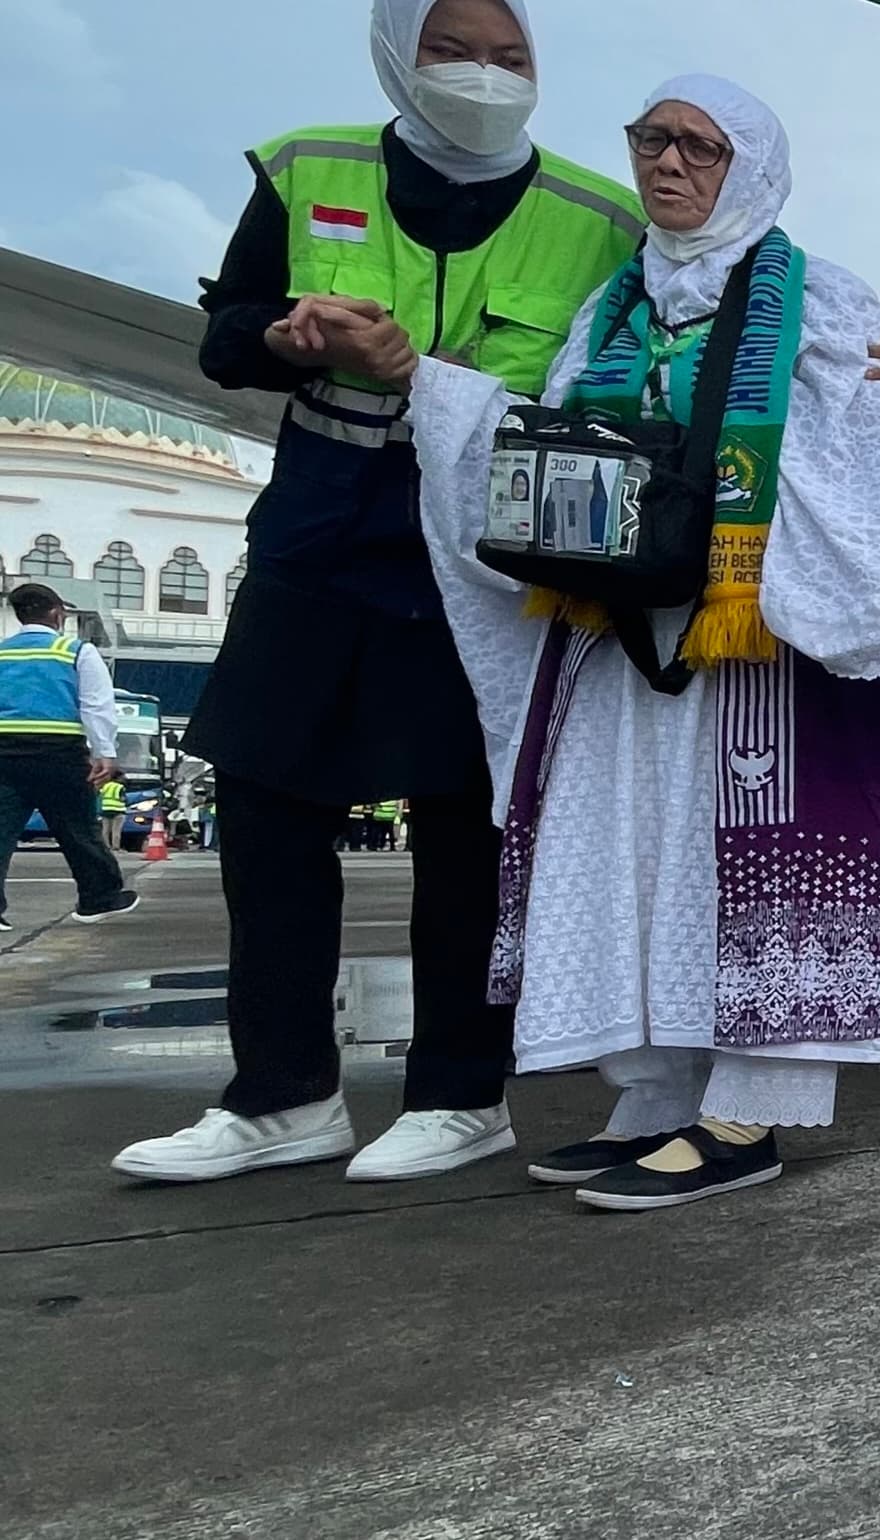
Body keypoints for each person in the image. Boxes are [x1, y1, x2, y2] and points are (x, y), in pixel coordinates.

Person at [409, 74, 880, 1211]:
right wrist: (428, 390)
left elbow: (879, 458)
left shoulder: (823, 300)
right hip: (628, 635)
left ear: (753, 170)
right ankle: (659, 1097)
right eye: (653, 140)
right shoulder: (609, 310)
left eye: (701, 149)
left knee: (746, 850)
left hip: (762, 632)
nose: (669, 164)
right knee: (641, 852)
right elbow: (555, 441)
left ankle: (750, 1108)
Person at [117, 0, 643, 1186]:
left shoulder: (596, 217)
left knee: (469, 816)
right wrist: (295, 338)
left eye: (513, 56)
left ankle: (464, 1091)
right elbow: (225, 339)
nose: (487, 75)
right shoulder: (309, 167)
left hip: (489, 536)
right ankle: (283, 1094)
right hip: (323, 517)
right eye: (454, 49)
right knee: (265, 799)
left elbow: (682, 336)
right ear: (397, 55)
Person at [0, 585, 139, 932]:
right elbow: (96, 705)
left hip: (3, 754)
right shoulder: (75, 651)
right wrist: (104, 752)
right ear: (56, 612)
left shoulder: (2, 653)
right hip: (58, 754)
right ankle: (99, 898)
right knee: (78, 830)